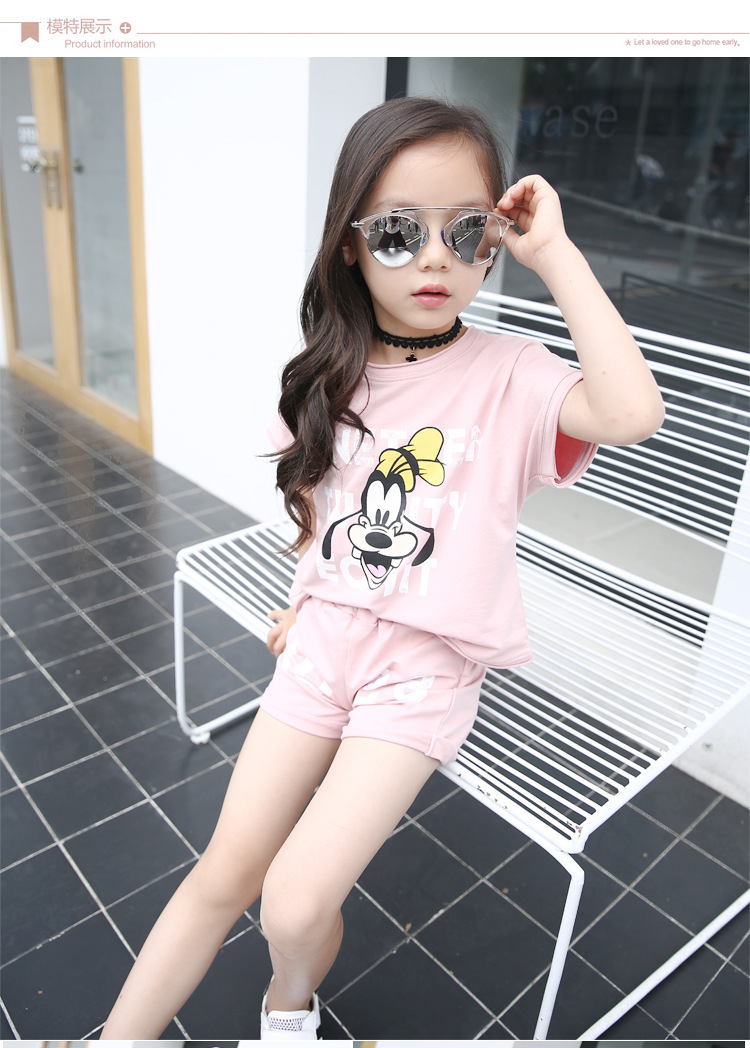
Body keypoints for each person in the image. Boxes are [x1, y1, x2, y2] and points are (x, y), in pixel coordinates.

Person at [101, 96, 664, 1041]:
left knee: (292, 906)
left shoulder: (514, 374)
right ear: (351, 248)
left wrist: (557, 254)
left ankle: (289, 1005)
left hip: (423, 670)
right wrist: (301, 598)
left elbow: (631, 413)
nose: (436, 258)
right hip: (322, 644)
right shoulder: (328, 372)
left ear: (495, 240)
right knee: (223, 873)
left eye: (467, 230)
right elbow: (322, 507)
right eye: (399, 233)